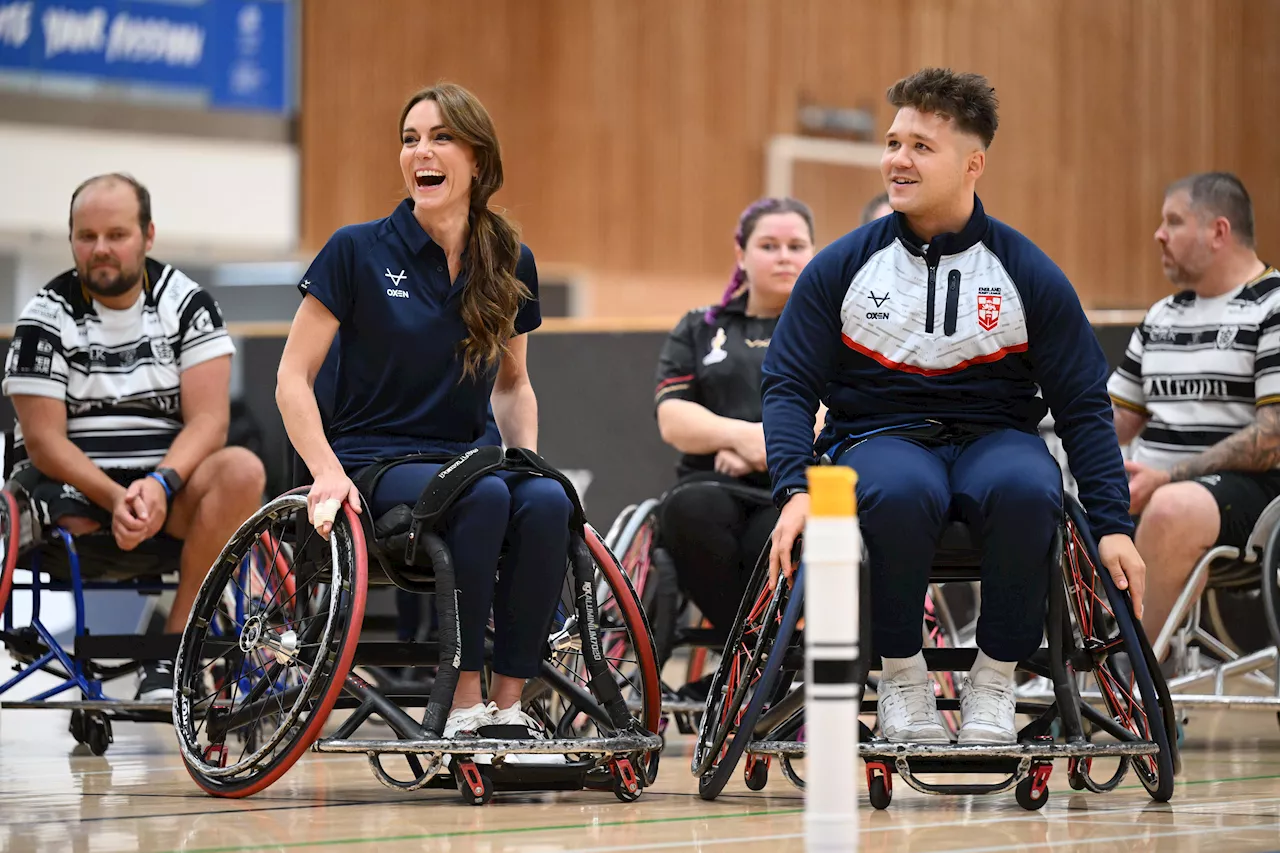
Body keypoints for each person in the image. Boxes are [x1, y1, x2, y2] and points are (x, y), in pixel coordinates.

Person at [761, 68, 1143, 745]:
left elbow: (1083, 407)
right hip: (878, 436)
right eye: (892, 142)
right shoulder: (842, 268)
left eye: (920, 147)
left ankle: (994, 680)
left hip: (996, 436)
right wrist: (794, 487)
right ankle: (903, 677)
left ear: (973, 164)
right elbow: (788, 386)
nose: (897, 160)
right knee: (898, 490)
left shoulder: (1028, 273)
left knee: (1032, 487)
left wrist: (1113, 524)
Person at [275, 82, 571, 741]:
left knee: (548, 500)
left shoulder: (508, 260)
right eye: (410, 139)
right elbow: (292, 378)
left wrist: (528, 458)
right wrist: (323, 471)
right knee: (485, 494)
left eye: (440, 137)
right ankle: (463, 700)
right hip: (372, 459)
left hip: (465, 458)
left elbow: (513, 385)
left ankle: (508, 703)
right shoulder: (356, 251)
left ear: (478, 160)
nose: (421, 152)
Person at [2, 173, 266, 701]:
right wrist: (117, 496)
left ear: (148, 235)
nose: (100, 249)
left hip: (166, 484)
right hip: (76, 486)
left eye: (116, 235)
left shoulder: (189, 305)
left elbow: (209, 422)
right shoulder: (43, 316)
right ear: (72, 238)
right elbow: (45, 442)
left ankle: (172, 649)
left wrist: (160, 486)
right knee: (73, 516)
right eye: (86, 235)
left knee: (243, 470)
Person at [1108, 172, 1280, 649]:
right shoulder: (1163, 316)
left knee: (1171, 506)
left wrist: (1168, 478)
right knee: (1053, 493)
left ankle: (1132, 683)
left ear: (1219, 232)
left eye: (1174, 221)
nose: (1158, 234)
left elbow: (1272, 439)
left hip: (1255, 495)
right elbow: (1114, 418)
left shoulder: (1272, 306)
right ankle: (1057, 672)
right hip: (1153, 488)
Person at [653, 197, 817, 645]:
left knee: (774, 536)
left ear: (813, 254)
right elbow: (673, 417)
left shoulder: (830, 331)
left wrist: (772, 452)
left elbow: (837, 416)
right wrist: (749, 438)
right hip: (712, 486)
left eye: (796, 245)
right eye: (768, 245)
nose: (783, 255)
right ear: (741, 254)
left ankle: (754, 667)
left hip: (796, 490)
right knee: (689, 511)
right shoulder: (699, 328)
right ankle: (752, 657)